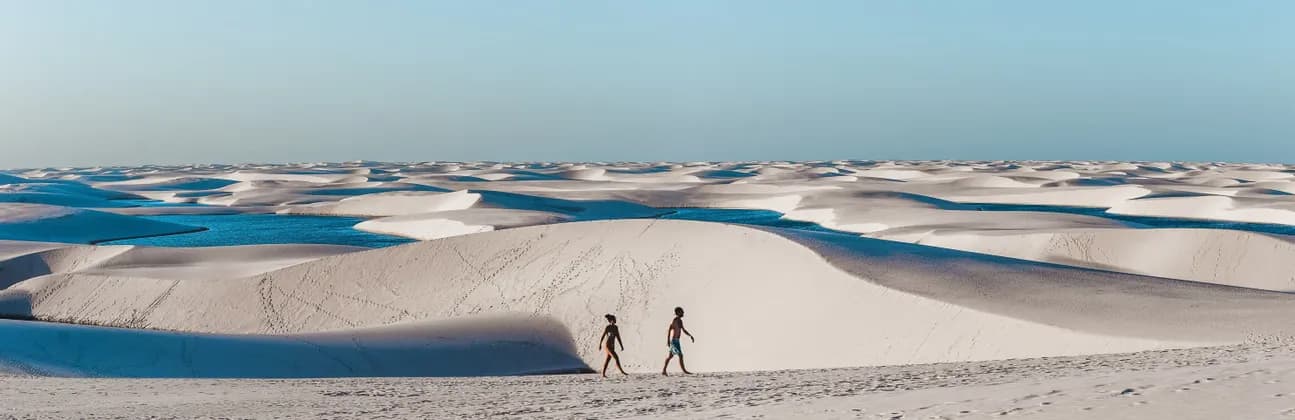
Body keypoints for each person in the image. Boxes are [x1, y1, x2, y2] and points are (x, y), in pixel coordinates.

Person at [661, 306, 695, 375]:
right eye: (682, 311)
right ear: (678, 312)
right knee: (680, 355)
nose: (683, 313)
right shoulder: (677, 320)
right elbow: (672, 328)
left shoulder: (677, 320)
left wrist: (690, 336)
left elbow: (676, 329)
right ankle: (684, 371)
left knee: (671, 356)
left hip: (675, 341)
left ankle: (664, 370)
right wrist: (668, 340)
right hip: (674, 341)